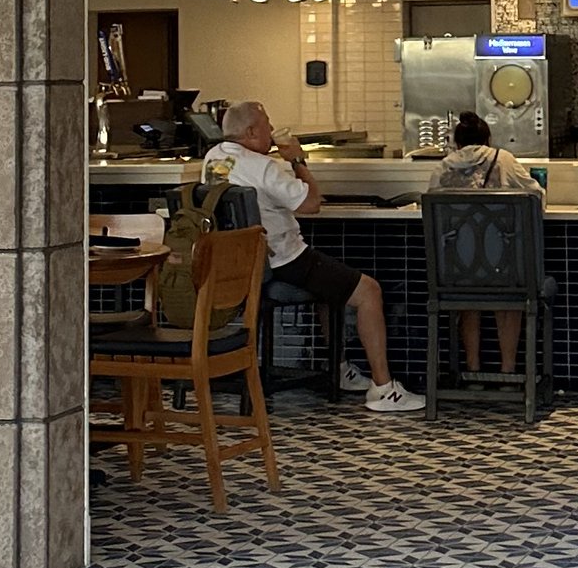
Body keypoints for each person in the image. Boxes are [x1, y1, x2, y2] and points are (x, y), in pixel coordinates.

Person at [204, 100, 423, 416]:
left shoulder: (213, 159)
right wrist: (297, 160)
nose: (271, 130)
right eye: (267, 125)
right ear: (250, 132)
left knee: (331, 289)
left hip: (241, 265)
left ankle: (339, 368)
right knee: (368, 291)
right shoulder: (262, 166)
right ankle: (383, 388)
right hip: (283, 260)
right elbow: (310, 204)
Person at [432, 109, 534, 384]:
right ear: (488, 138)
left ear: (457, 143)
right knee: (511, 291)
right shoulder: (503, 160)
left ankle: (473, 371)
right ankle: (507, 372)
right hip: (502, 269)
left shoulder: (443, 167)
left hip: (456, 273)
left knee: (468, 296)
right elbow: (535, 196)